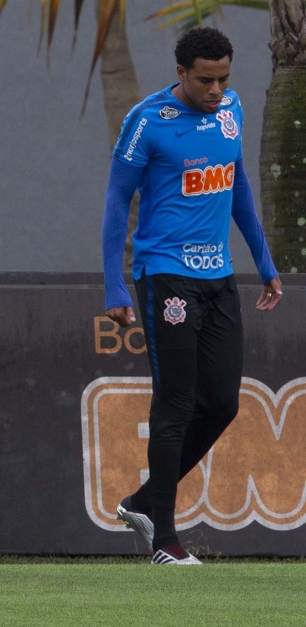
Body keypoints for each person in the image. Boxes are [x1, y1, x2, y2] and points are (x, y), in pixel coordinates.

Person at [102, 27, 282, 566]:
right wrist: (115, 284)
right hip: (165, 277)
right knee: (177, 401)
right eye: (206, 79)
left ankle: (140, 502)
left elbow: (238, 186)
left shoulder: (232, 111)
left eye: (225, 77)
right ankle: (165, 538)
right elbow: (116, 201)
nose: (217, 89)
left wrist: (265, 263)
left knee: (223, 403)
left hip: (219, 277)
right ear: (181, 73)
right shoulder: (147, 121)